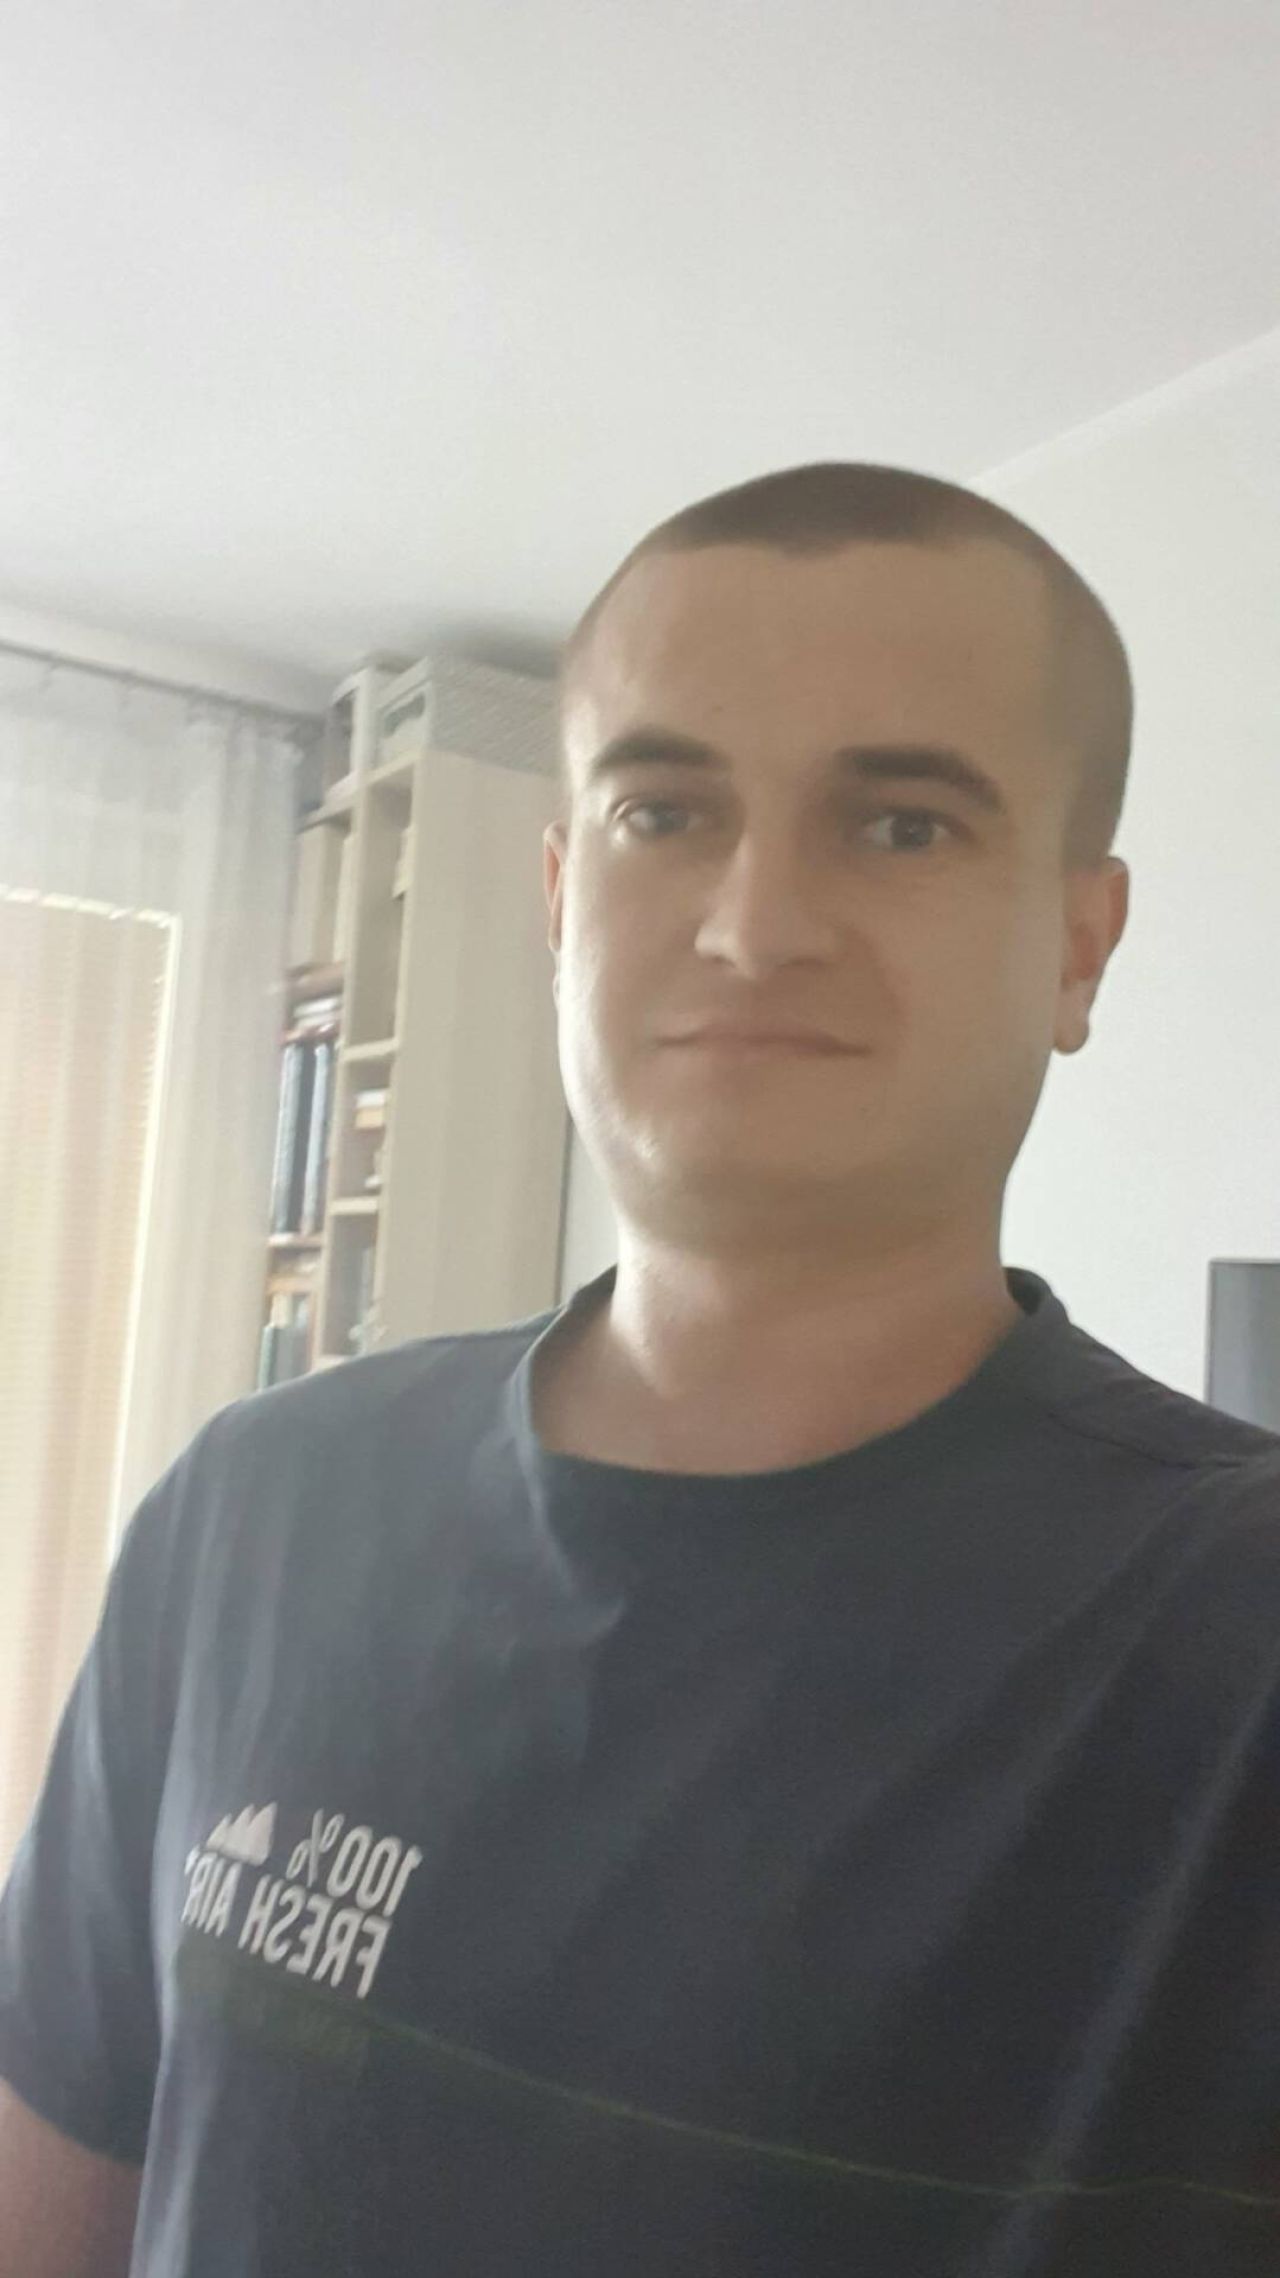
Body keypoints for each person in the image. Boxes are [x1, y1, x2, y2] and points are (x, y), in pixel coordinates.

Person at [1, 461, 1278, 2278]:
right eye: (665, 810)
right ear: (558, 890)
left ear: (1080, 943)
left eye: (901, 824)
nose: (754, 923)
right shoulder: (250, 1511)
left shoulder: (1230, 1646)